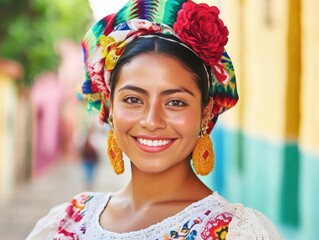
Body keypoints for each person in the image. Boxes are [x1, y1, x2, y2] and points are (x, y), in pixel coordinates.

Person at [27, 0, 281, 239]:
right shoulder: (68, 220)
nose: (152, 120)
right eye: (133, 100)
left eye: (175, 102)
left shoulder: (235, 232)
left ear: (206, 111)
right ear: (110, 106)